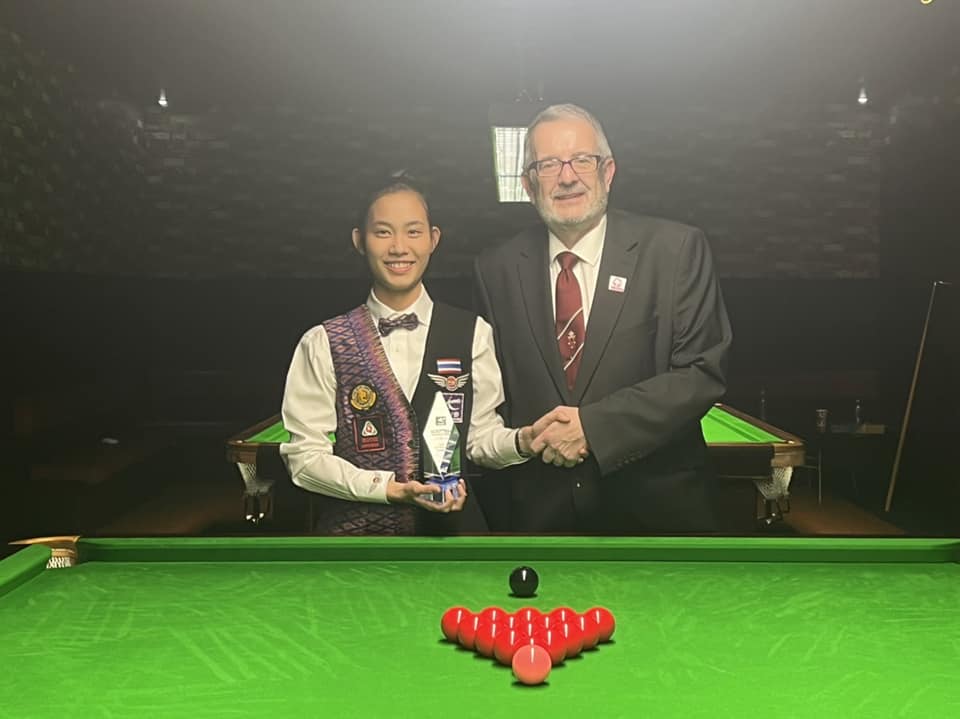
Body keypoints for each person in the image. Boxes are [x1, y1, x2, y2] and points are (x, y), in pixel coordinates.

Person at [473, 104, 733, 534]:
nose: (567, 176)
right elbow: (493, 396)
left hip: (658, 516)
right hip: (538, 518)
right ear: (528, 184)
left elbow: (701, 373)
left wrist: (593, 429)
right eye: (548, 164)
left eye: (582, 160)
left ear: (607, 171)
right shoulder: (495, 268)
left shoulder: (675, 250)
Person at [280, 178, 533, 535]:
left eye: (413, 232)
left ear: (433, 239)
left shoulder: (473, 333)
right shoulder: (322, 342)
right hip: (356, 546)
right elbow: (305, 461)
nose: (399, 247)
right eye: (383, 232)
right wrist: (387, 489)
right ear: (359, 240)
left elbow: (479, 440)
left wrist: (524, 441)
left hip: (452, 538)